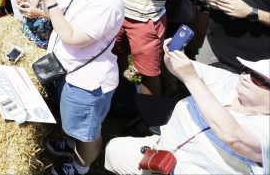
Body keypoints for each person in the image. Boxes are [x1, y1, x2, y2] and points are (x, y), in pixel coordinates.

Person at [33, 0, 135, 175]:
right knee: (73, 125)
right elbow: (57, 16)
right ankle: (70, 144)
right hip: (66, 70)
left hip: (87, 82)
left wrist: (49, 0)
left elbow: (72, 36)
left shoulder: (109, 2)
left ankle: (80, 167)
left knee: (87, 133)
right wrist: (47, 0)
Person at [104, 54, 269, 175]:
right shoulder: (230, 81)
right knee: (114, 150)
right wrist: (172, 51)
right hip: (160, 151)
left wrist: (192, 79)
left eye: (258, 79)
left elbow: (235, 138)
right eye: (247, 70)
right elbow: (180, 66)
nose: (246, 77)